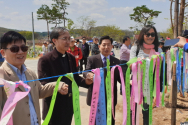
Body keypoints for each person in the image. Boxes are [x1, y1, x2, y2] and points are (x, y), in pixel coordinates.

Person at [0, 31, 68, 125]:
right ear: (3, 52)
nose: (21, 52)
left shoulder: (29, 72)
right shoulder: (1, 76)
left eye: (24, 48)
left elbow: (39, 91)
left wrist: (57, 85)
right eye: (14, 49)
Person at [37, 27, 92, 125]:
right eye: (64, 38)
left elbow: (75, 78)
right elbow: (43, 84)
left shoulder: (70, 57)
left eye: (69, 38)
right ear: (54, 40)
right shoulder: (45, 60)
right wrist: (57, 87)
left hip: (68, 105)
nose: (68, 41)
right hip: (53, 107)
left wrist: (86, 82)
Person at [83, 35, 121, 125]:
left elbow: (120, 78)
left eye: (108, 45)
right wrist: (88, 74)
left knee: (110, 120)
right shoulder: (92, 59)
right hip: (96, 97)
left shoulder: (116, 61)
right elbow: (85, 71)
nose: (106, 47)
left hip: (110, 97)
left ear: (112, 47)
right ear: (99, 46)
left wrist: (129, 81)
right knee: (96, 120)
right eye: (104, 45)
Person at [130, 25, 163, 125]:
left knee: (147, 110)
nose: (150, 37)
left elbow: (160, 69)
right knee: (133, 110)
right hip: (135, 84)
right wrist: (139, 63)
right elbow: (130, 65)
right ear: (142, 35)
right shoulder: (135, 48)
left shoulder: (159, 50)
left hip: (150, 84)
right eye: (147, 34)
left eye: (152, 34)